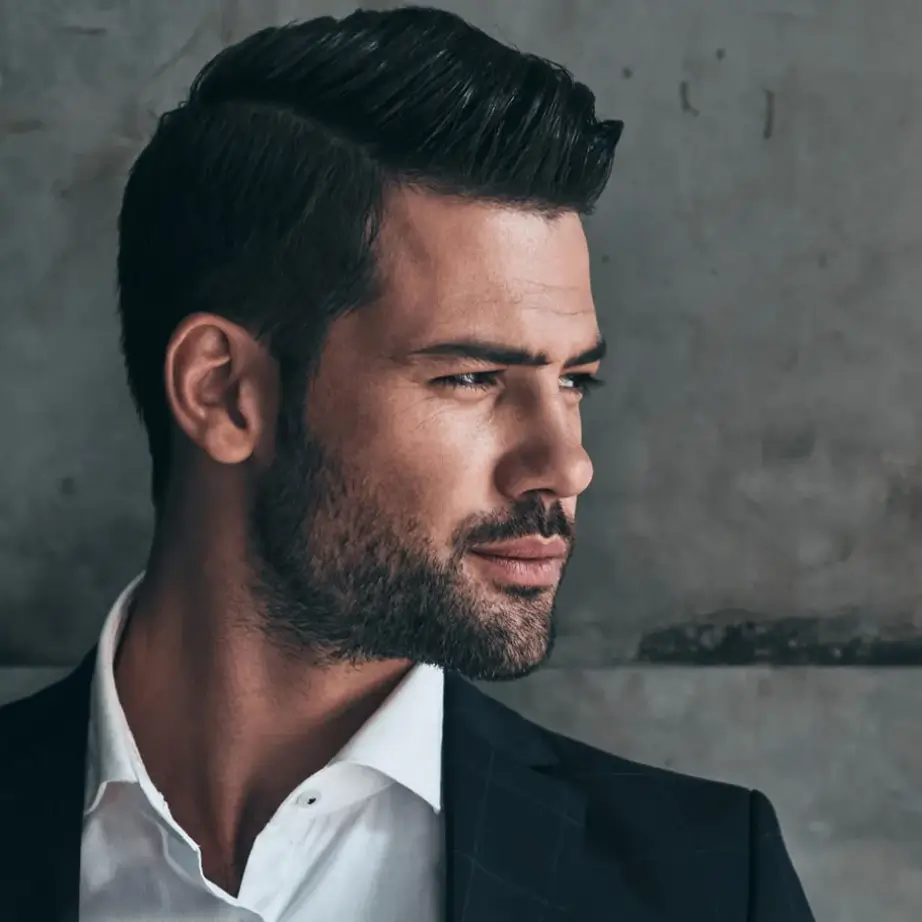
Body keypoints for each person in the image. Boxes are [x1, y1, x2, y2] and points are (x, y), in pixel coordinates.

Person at [0, 7, 815, 921]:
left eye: (575, 379)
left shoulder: (702, 886)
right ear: (224, 393)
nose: (567, 466)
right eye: (472, 376)